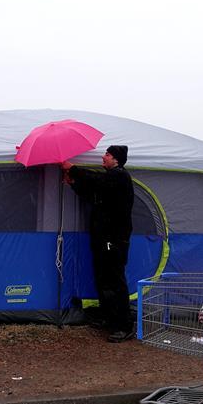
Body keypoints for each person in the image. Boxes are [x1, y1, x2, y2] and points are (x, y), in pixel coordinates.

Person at [61, 145, 135, 343]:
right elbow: (94, 195)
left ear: (116, 159)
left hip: (115, 240)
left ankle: (124, 326)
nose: (103, 157)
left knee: (115, 281)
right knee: (103, 278)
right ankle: (108, 318)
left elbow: (96, 180)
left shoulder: (119, 176)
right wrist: (73, 184)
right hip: (102, 238)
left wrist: (73, 168)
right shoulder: (109, 182)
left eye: (107, 155)